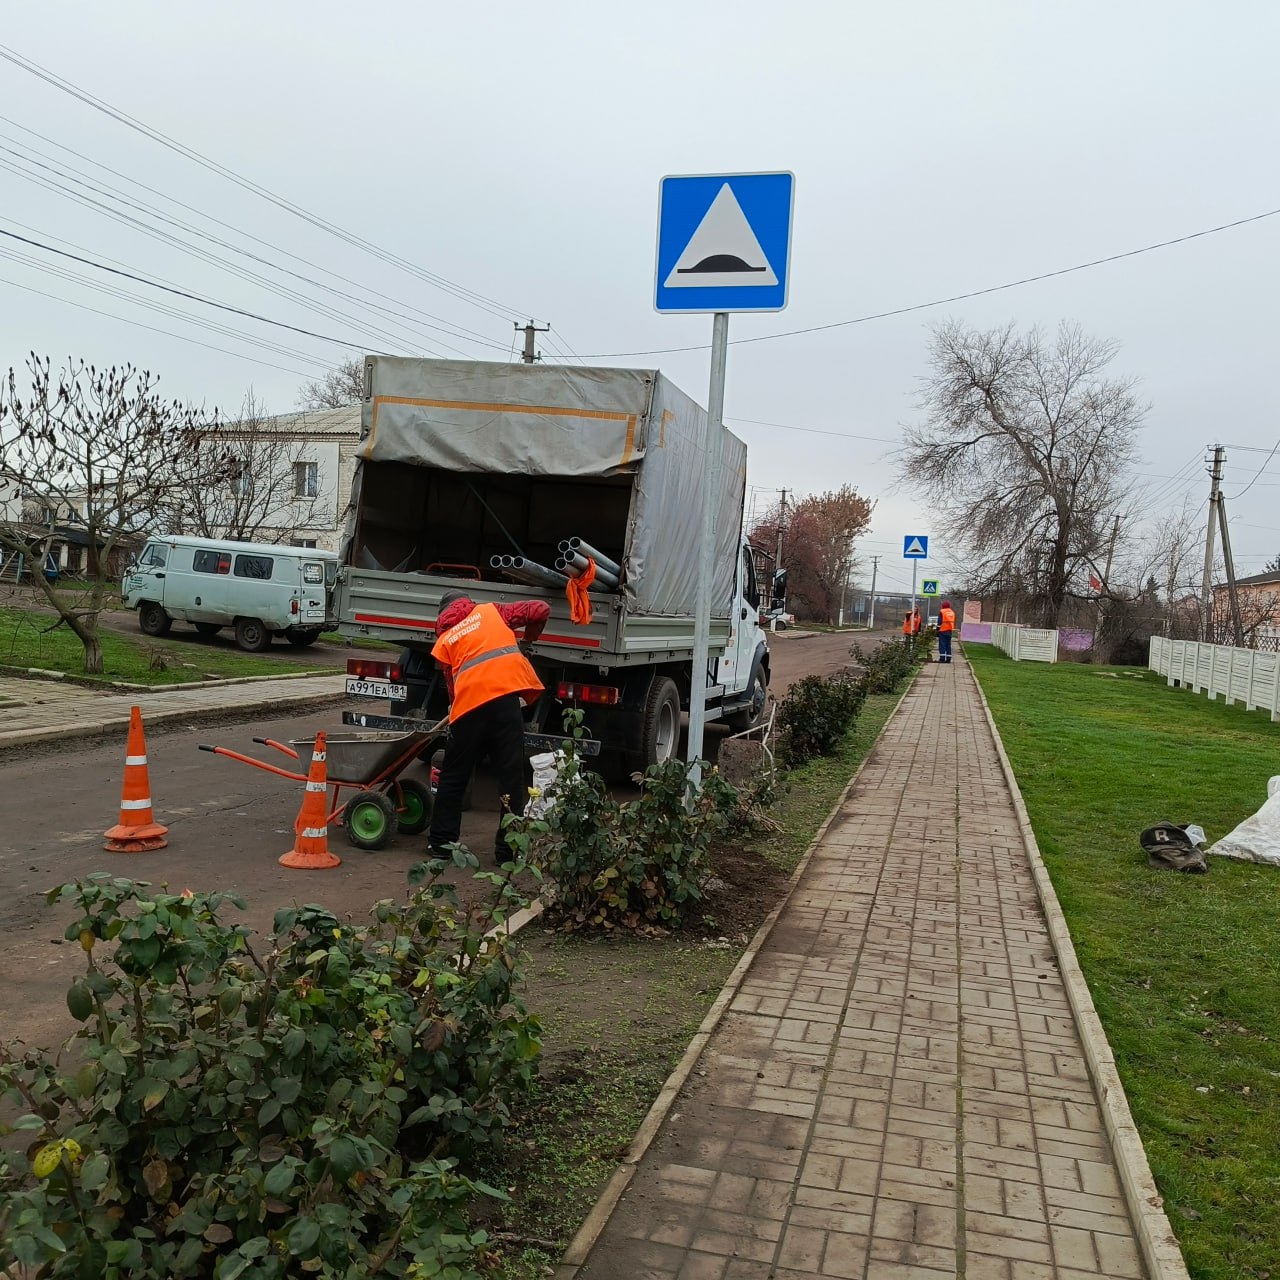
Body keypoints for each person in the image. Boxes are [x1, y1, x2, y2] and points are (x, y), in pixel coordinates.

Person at [427, 589, 550, 859]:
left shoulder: (445, 637)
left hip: (468, 708)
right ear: (468, 603)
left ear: (443, 615)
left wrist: (456, 712)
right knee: (510, 779)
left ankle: (441, 846)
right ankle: (508, 851)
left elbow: (452, 684)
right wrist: (527, 642)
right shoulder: (493, 611)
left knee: (453, 777)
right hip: (504, 705)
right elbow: (541, 609)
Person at [937, 599, 956, 663]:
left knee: (942, 644)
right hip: (949, 630)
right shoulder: (952, 612)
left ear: (943, 605)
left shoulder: (942, 611)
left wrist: (937, 629)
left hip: (943, 630)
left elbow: (939, 622)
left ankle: (942, 658)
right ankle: (948, 658)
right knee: (948, 645)